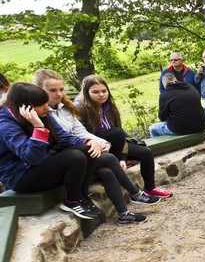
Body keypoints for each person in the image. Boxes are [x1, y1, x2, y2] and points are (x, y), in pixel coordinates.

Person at [33, 69, 157, 223]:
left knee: (107, 170)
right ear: (39, 91)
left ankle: (124, 214)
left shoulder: (65, 108)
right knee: (110, 159)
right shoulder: (43, 113)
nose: (58, 94)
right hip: (68, 159)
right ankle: (136, 194)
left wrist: (102, 143)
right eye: (52, 90)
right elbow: (62, 141)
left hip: (82, 155)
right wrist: (93, 144)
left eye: (61, 89)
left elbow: (81, 131)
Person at [0, 83, 101, 219]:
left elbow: (64, 139)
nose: (47, 107)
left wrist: (88, 141)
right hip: (21, 177)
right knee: (75, 157)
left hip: (43, 164)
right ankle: (72, 201)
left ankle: (81, 196)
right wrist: (38, 128)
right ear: (25, 108)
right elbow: (31, 157)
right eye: (41, 105)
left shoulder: (42, 113)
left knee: (86, 148)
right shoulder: (5, 124)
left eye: (45, 103)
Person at [78, 75, 173, 199]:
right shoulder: (81, 110)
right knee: (117, 132)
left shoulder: (109, 107)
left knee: (146, 153)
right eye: (95, 92)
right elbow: (81, 135)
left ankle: (151, 188)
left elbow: (120, 136)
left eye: (104, 91)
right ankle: (116, 167)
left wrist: (123, 157)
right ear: (86, 92)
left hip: (115, 146)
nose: (101, 95)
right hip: (97, 149)